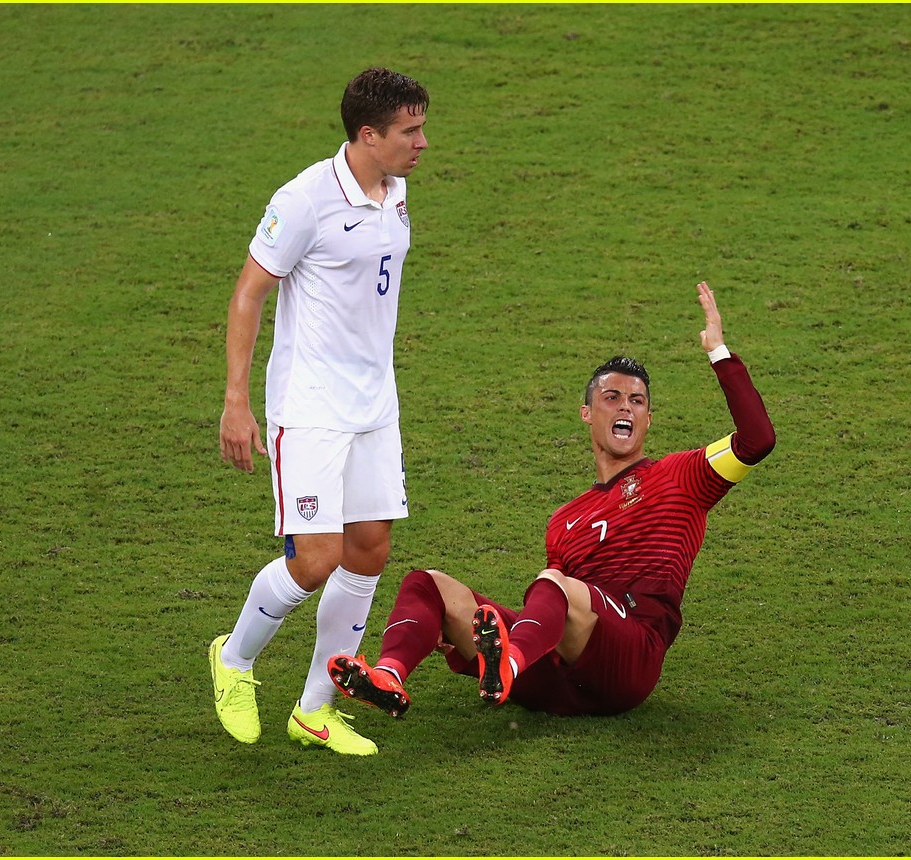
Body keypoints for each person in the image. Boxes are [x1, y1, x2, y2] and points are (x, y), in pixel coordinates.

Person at [327, 281, 775, 721]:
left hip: (629, 664)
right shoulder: (565, 520)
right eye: (612, 397)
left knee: (556, 583)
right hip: (555, 678)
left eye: (637, 401)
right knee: (428, 584)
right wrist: (451, 627)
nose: (626, 407)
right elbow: (553, 612)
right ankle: (390, 675)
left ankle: (507, 663)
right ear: (587, 413)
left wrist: (719, 351)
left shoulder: (681, 475)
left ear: (648, 419)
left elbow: (757, 440)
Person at [209, 68, 429, 756]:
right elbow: (249, 293)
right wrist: (237, 401)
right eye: (410, 131)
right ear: (368, 135)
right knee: (316, 558)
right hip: (310, 409)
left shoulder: (395, 189)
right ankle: (233, 659)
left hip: (375, 406)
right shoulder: (303, 200)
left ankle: (315, 708)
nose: (422, 143)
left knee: (369, 549)